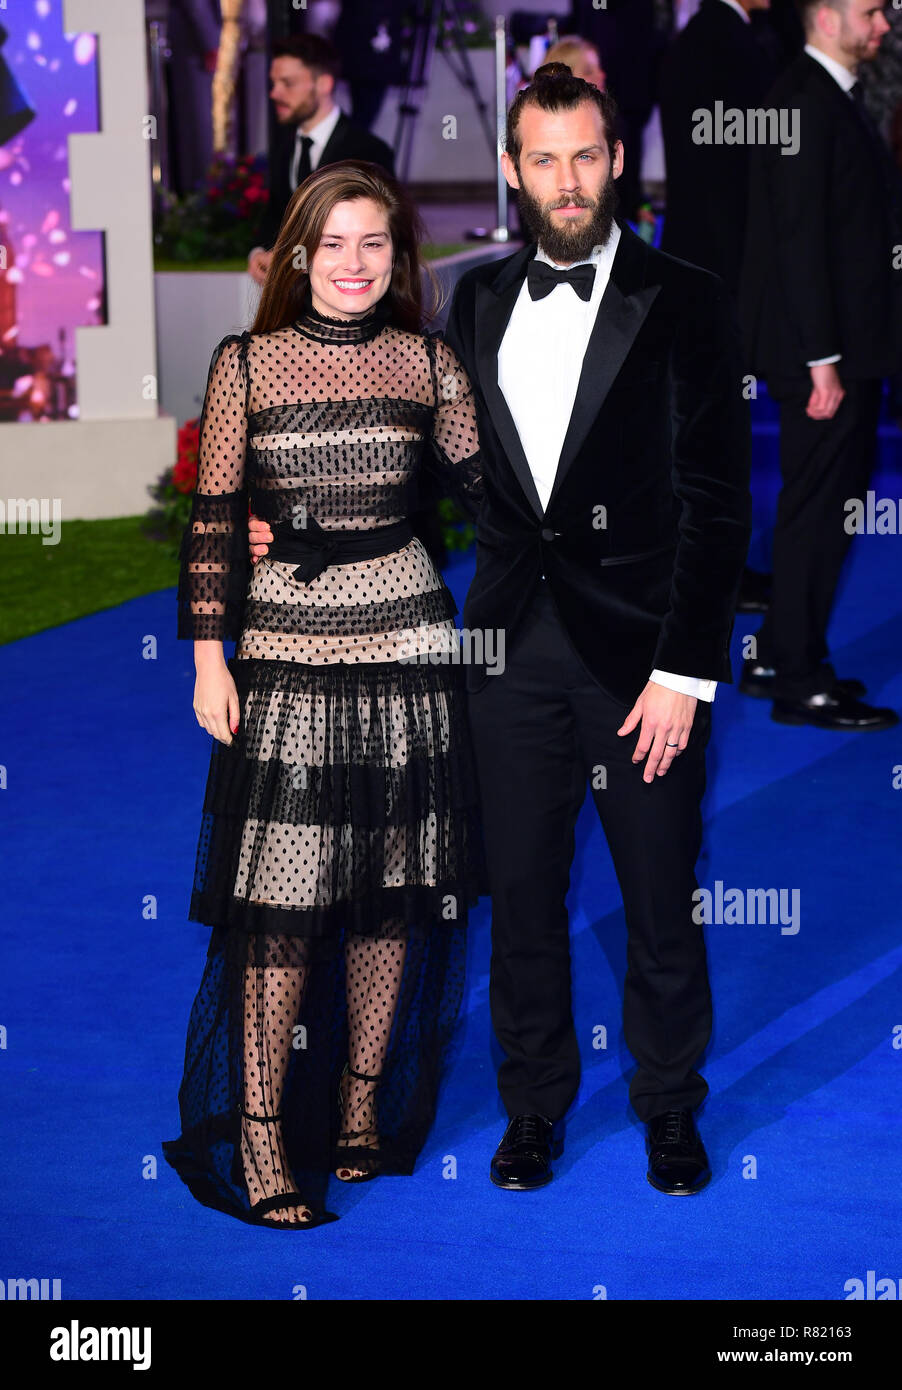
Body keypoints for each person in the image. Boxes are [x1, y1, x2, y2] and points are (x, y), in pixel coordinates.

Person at [252, 63, 752, 1196]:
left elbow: (717, 505)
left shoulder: (688, 299)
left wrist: (683, 669)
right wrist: (290, 522)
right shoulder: (474, 302)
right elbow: (418, 465)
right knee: (518, 899)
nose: (566, 182)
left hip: (641, 665)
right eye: (544, 160)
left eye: (586, 156)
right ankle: (532, 1110)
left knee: (658, 898)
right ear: (513, 171)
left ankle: (669, 1108)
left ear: (617, 161)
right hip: (504, 658)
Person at [163, 161, 486, 1229]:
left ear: (400, 258)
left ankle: (358, 1108)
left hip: (406, 645)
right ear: (298, 253)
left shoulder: (429, 363)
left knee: (389, 894)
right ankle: (258, 1134)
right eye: (332, 244)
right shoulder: (245, 364)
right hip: (284, 654)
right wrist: (209, 658)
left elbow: (497, 497)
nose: (352, 265)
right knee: (280, 907)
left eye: (375, 245)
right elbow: (212, 521)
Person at [738, 0, 901, 729]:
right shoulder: (803, 100)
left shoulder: (822, 95)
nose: (886, 26)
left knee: (816, 510)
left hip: (839, 347)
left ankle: (778, 653)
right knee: (819, 516)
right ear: (827, 15)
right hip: (824, 356)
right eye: (872, 11)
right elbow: (798, 243)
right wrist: (824, 362)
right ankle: (799, 676)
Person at [247, 34, 395, 287]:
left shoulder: (368, 151)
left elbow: (375, 234)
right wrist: (258, 252)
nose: (275, 93)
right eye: (273, 83)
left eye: (288, 83)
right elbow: (276, 215)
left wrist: (290, 259)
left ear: (324, 84)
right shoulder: (283, 150)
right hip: (292, 307)